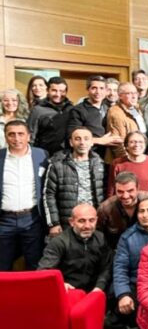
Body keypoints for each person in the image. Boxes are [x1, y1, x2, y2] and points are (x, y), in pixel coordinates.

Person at [113, 196, 148, 329]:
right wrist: (123, 294)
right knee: (124, 301)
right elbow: (120, 267)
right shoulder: (127, 237)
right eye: (141, 211)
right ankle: (132, 325)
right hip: (138, 282)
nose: (145, 215)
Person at [0, 120, 48, 270]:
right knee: (2, 265)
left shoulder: (41, 155)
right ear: (5, 137)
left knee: (34, 264)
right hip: (4, 220)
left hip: (32, 219)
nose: (16, 138)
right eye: (11, 134)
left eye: (21, 134)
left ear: (28, 136)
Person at [44, 127, 105, 235]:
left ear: (92, 142)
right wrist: (54, 223)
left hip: (93, 222)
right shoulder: (57, 165)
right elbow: (49, 194)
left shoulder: (100, 164)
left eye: (86, 139)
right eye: (77, 139)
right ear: (71, 142)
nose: (82, 142)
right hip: (67, 222)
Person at [38, 204, 112, 293]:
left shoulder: (101, 238)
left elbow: (106, 268)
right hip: (68, 291)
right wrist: (60, 284)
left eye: (91, 220)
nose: (87, 226)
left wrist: (99, 287)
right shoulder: (59, 242)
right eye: (81, 221)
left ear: (96, 220)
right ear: (71, 222)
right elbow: (43, 271)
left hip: (95, 291)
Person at [98, 171, 148, 249]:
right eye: (120, 192)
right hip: (117, 251)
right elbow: (98, 235)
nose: (125, 196)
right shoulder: (105, 209)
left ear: (137, 188)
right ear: (115, 190)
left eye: (130, 191)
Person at [66, 75, 122, 158]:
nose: (98, 92)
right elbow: (72, 137)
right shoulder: (78, 110)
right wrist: (100, 140)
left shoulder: (108, 108)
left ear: (106, 91)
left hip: (109, 156)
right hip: (89, 156)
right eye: (94, 88)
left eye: (101, 88)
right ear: (88, 89)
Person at [28, 76, 74, 155]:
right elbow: (30, 136)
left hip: (67, 155)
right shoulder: (38, 110)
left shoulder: (72, 109)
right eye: (54, 90)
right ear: (47, 90)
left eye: (62, 91)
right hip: (45, 154)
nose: (58, 94)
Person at [109, 131, 148, 196]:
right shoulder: (117, 163)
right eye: (132, 142)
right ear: (126, 146)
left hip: (147, 199)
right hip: (125, 200)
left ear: (145, 145)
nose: (137, 145)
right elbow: (112, 188)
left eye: (140, 142)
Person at [105, 82, 147, 163]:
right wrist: (128, 161)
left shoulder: (136, 108)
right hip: (127, 160)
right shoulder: (115, 112)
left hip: (139, 154)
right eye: (129, 93)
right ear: (120, 96)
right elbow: (118, 142)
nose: (134, 96)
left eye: (135, 93)